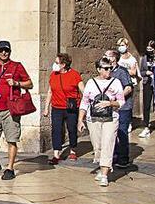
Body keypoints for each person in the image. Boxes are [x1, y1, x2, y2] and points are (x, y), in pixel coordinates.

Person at [0, 40, 33, 181]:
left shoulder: (17, 66)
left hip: (11, 109)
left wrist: (17, 83)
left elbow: (30, 84)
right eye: (2, 50)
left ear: (10, 52)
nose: (4, 53)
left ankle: (10, 168)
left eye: (7, 50)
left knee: (11, 139)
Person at [78, 57, 126, 187]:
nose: (108, 71)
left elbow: (121, 101)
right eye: (105, 68)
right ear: (99, 69)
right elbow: (85, 101)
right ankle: (102, 166)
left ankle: (104, 173)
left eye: (110, 68)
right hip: (93, 118)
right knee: (97, 146)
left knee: (108, 143)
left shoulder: (116, 82)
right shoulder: (91, 83)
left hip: (111, 118)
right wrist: (80, 120)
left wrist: (110, 103)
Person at [47, 53, 82, 165]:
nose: (55, 65)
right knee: (56, 130)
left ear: (63, 64)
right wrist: (46, 107)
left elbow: (83, 90)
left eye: (57, 63)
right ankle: (56, 153)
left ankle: (73, 149)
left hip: (71, 107)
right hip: (56, 107)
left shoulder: (75, 75)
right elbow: (50, 91)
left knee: (72, 129)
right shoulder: (53, 75)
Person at [107, 48, 135, 168]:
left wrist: (117, 98)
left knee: (122, 131)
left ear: (113, 58)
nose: (105, 57)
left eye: (107, 55)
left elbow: (128, 87)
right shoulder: (107, 71)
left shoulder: (122, 71)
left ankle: (123, 158)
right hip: (111, 107)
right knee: (112, 132)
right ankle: (114, 155)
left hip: (123, 107)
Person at [138, 41, 155, 139]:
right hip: (147, 82)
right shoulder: (144, 58)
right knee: (146, 105)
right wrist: (146, 72)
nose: (149, 50)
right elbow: (140, 71)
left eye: (151, 49)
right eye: (148, 49)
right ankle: (146, 126)